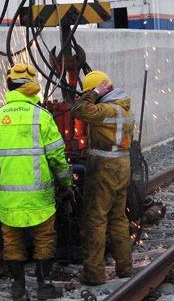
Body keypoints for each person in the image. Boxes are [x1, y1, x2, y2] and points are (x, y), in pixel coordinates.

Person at [0, 63, 72, 301]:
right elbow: (57, 158)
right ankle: (44, 286)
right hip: (39, 197)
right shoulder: (41, 117)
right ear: (32, 87)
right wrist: (66, 184)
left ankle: (17, 286)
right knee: (44, 238)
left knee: (11, 239)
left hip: (8, 198)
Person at [70, 70, 135, 285]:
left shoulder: (106, 110)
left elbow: (77, 110)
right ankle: (125, 268)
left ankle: (94, 275)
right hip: (122, 167)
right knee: (118, 218)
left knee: (96, 220)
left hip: (103, 170)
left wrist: (93, 93)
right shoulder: (125, 110)